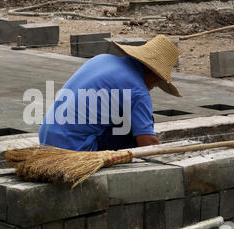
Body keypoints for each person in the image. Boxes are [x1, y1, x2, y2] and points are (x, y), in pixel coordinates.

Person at [39, 35, 181, 151]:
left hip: (46, 138)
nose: (154, 86)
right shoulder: (138, 91)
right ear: (153, 74)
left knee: (129, 115)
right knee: (138, 122)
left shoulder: (102, 59)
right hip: (74, 148)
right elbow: (148, 144)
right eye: (157, 82)